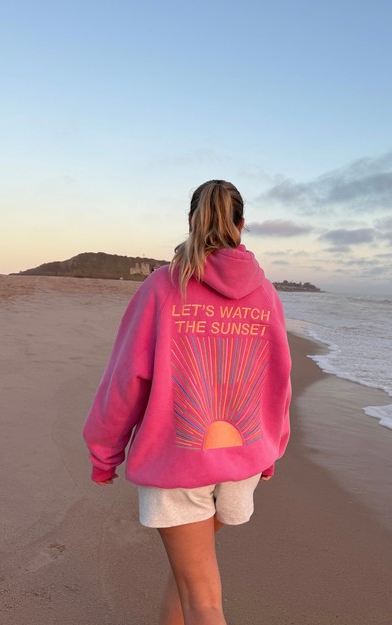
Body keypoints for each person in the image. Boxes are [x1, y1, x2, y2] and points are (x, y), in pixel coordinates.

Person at [83, 180, 292, 625]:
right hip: (243, 461)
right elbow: (278, 380)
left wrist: (104, 454)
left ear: (191, 220)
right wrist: (270, 450)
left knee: (203, 600)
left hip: (178, 462)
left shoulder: (164, 286)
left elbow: (126, 380)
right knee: (188, 579)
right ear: (241, 225)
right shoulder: (266, 294)